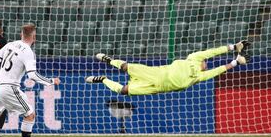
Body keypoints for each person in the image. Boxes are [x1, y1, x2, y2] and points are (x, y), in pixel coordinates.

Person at [85, 41, 251, 95]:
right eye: (206, 61)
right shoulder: (193, 58)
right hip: (155, 72)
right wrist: (232, 47)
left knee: (123, 90)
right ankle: (108, 60)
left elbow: (217, 71)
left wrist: (235, 62)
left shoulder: (198, 77)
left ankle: (103, 79)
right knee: (125, 66)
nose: (207, 62)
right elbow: (212, 51)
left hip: (156, 86)